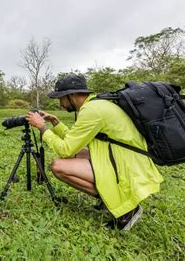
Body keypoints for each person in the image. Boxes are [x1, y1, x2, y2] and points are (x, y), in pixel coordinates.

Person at [26, 74, 164, 230]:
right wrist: (54, 122)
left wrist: (42, 128)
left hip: (125, 166)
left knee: (58, 165)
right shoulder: (96, 105)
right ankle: (111, 200)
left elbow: (65, 149)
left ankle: (126, 209)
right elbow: (74, 140)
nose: (60, 104)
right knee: (75, 154)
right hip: (122, 158)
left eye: (61, 98)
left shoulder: (92, 111)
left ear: (71, 95)